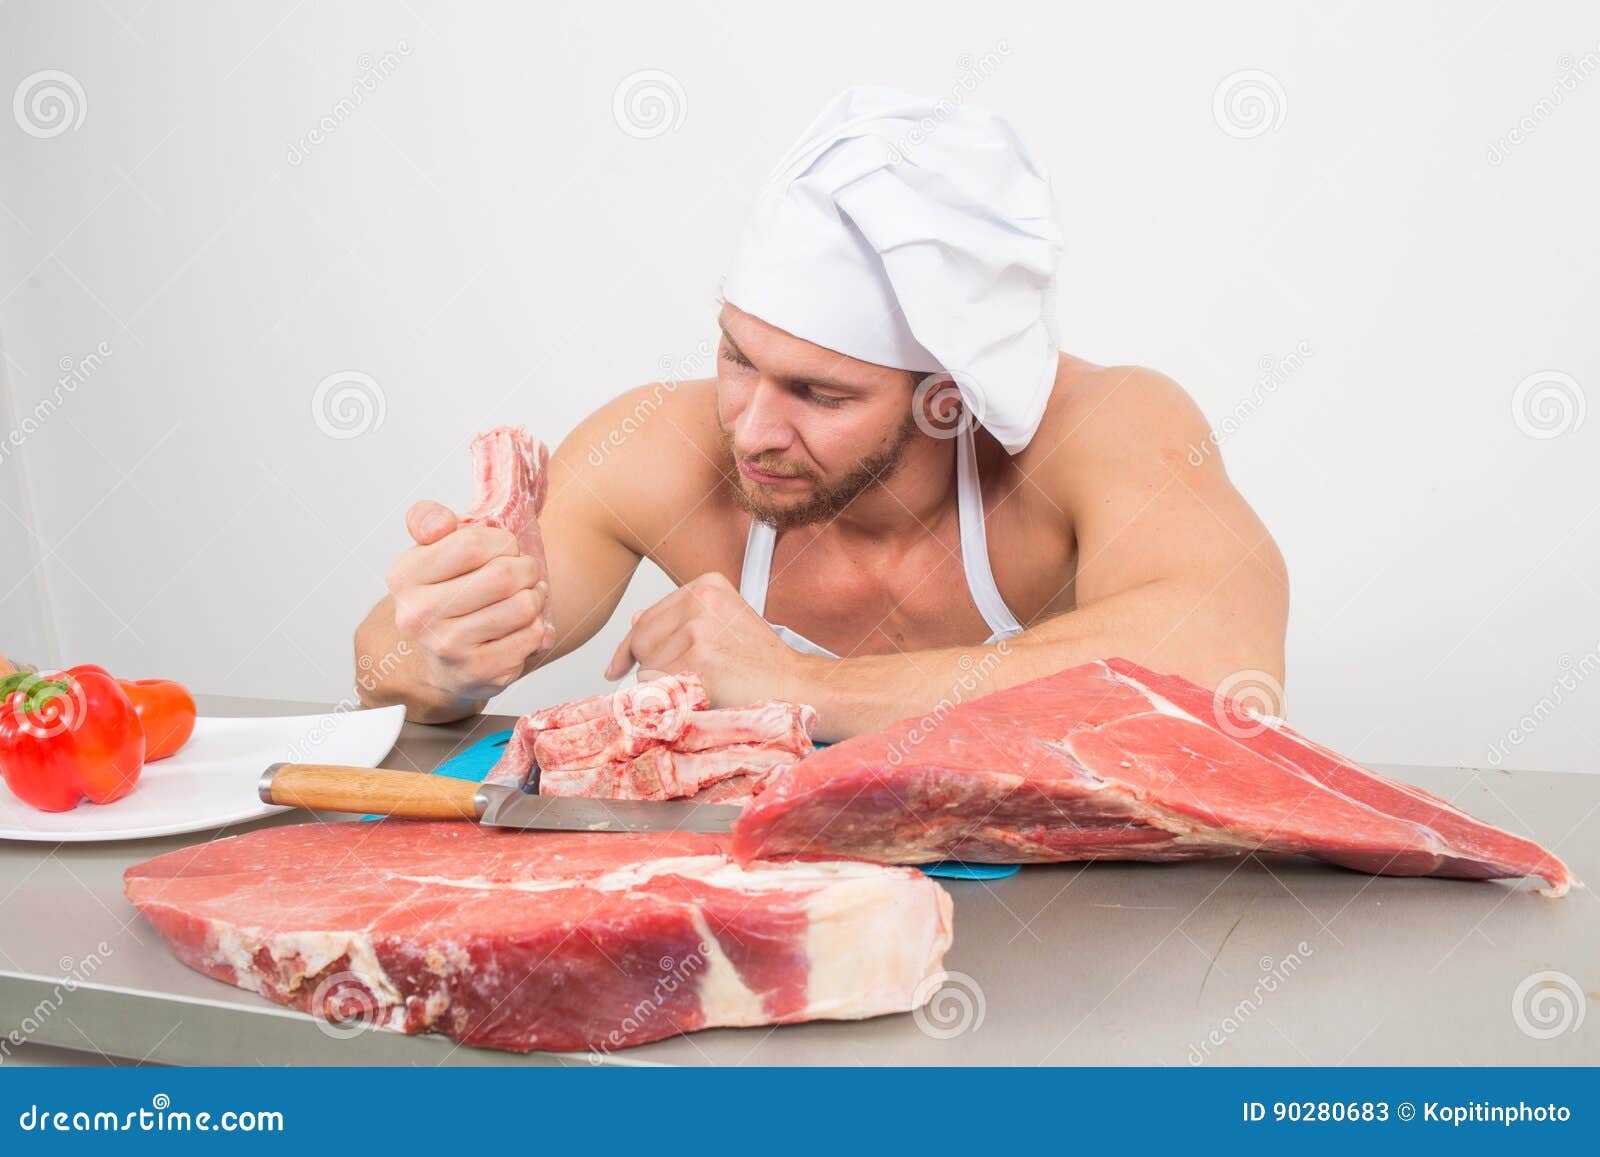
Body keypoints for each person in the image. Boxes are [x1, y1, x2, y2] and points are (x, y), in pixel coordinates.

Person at [355, 87, 1288, 741]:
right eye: (737, 358)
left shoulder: (1095, 424)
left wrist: (802, 686)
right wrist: (441, 655)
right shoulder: (660, 449)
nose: (751, 427)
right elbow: (379, 668)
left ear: (947, 398)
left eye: (818, 392)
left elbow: (1224, 662)